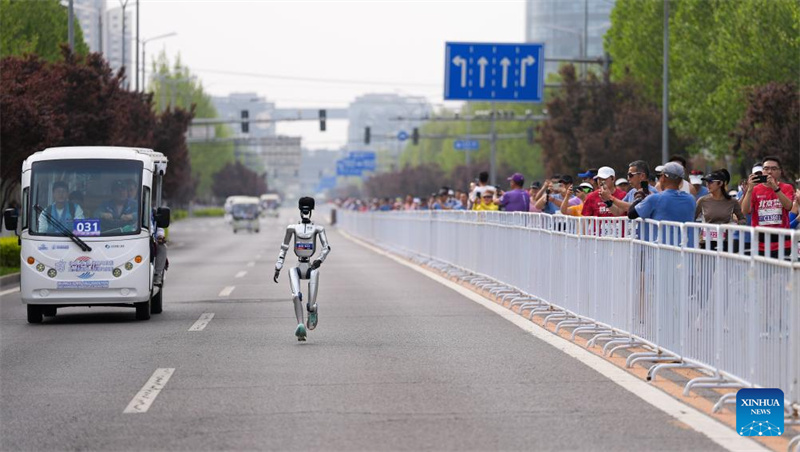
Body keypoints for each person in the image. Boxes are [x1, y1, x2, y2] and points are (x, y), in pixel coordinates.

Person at [273, 197, 332, 341]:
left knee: (310, 304)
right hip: (298, 266)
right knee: (295, 296)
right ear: (300, 210)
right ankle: (300, 326)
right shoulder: (292, 228)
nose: (305, 212)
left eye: (307, 209)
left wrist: (319, 260)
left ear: (310, 210)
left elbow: (326, 247)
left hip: (312, 267)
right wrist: (278, 266)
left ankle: (312, 310)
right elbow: (284, 247)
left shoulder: (318, 229)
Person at [741, 156, 795, 258]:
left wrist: (775, 187)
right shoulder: (755, 189)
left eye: (773, 169)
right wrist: (749, 190)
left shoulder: (787, 187)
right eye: (766, 169)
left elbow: (788, 206)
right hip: (760, 243)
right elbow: (744, 211)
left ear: (780, 171)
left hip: (782, 243)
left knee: (782, 273)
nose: (769, 172)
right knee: (762, 274)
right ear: (762, 171)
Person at [628, 162, 696, 242]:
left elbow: (631, 214)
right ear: (681, 180)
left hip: (662, 250)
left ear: (663, 177)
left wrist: (640, 197)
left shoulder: (655, 198)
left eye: (659, 176)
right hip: (687, 250)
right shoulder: (691, 199)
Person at [695, 169, 745, 250]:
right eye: (706, 182)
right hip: (705, 243)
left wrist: (733, 225)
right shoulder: (702, 200)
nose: (707, 185)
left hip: (725, 243)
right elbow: (691, 218)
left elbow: (743, 220)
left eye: (711, 182)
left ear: (720, 183)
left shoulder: (732, 201)